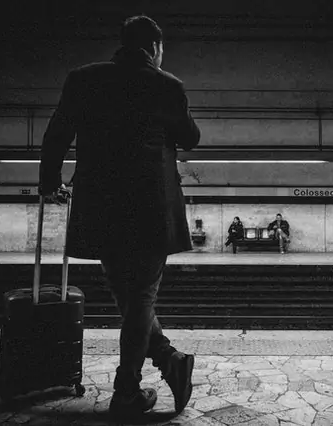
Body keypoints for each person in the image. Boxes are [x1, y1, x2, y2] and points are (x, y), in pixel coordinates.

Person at [39, 15, 200, 420]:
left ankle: (168, 361)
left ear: (123, 43)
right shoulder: (167, 85)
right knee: (140, 297)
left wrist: (48, 182)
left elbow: (57, 132)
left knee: (128, 297)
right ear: (156, 48)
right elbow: (190, 137)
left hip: (102, 207)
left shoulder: (83, 79)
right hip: (151, 209)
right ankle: (128, 390)